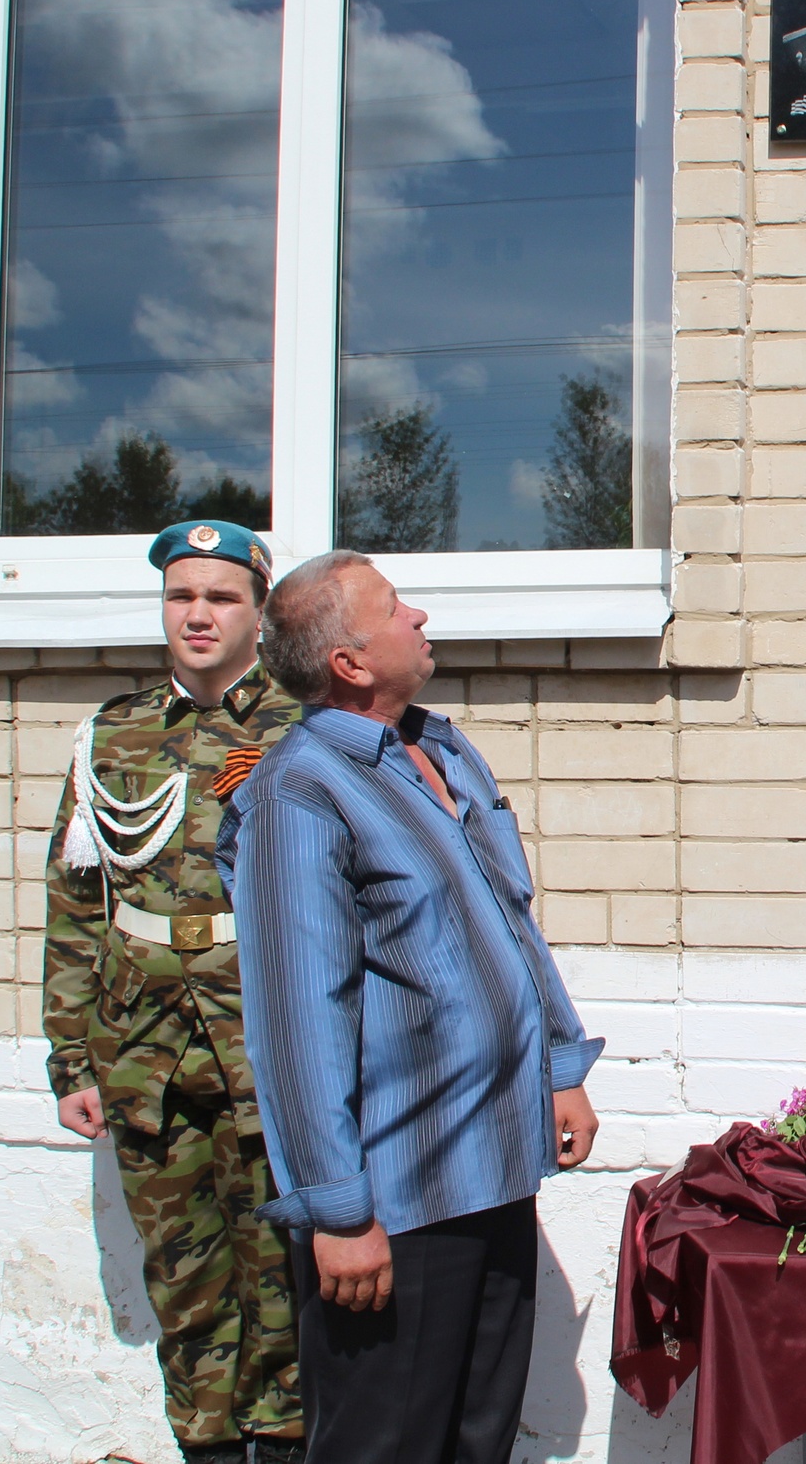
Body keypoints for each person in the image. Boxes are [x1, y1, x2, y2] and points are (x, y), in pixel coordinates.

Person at [224, 550, 603, 1464]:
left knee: (479, 1435)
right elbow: (295, 1016)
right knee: (385, 1442)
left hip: (495, 1165)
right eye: (396, 609)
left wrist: (558, 1068)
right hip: (398, 1199)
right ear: (349, 663)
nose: (420, 618)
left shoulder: (439, 748)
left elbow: (509, 921)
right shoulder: (299, 791)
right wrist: (338, 1212)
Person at [41, 518, 306, 1464]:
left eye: (221, 597)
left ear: (260, 613)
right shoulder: (113, 733)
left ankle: (281, 1447)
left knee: (280, 1276)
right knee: (182, 1282)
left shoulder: (302, 729)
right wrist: (69, 1055)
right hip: (142, 1047)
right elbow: (77, 902)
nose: (198, 614)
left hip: (265, 1045)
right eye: (181, 596)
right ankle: (205, 1449)